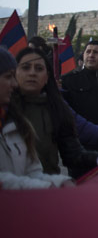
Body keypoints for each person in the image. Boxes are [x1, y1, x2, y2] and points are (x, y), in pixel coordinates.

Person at [14, 47, 98, 179]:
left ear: (47, 77)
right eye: (26, 67)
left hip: (46, 188)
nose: (32, 73)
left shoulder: (57, 108)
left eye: (39, 68)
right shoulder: (5, 109)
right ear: (14, 72)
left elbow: (72, 153)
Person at [0, 48, 73, 189]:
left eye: (39, 69)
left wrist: (60, 182)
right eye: (8, 77)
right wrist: (45, 186)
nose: (14, 84)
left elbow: (32, 172)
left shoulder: (19, 124)